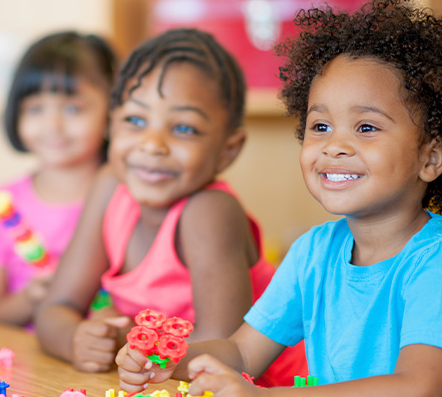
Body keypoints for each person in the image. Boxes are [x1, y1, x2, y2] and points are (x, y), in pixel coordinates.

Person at [116, 0, 442, 396]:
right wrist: (166, 361)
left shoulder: (438, 264)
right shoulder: (314, 253)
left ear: (431, 157)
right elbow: (243, 353)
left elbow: (415, 387)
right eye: (320, 126)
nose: (334, 146)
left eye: (366, 127)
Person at [35, 28, 306, 386]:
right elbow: (55, 309)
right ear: (110, 125)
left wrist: (125, 342)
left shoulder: (210, 211)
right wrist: (77, 340)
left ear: (228, 149)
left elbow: (220, 356)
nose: (152, 145)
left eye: (183, 128)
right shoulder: (109, 187)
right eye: (135, 120)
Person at [0, 31, 116, 327]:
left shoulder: (127, 201)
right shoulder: (3, 203)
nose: (52, 125)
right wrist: (32, 298)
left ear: (111, 115)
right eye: (35, 109)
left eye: (73, 108)